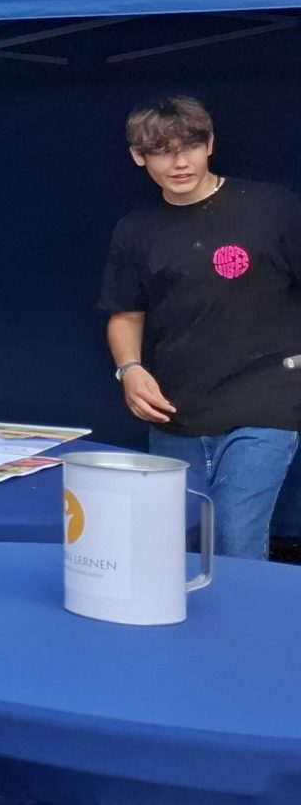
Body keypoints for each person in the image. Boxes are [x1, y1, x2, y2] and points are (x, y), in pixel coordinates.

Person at [100, 95, 301, 560]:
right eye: (161, 151)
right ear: (138, 157)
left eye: (189, 147)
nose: (178, 162)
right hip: (174, 409)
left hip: (266, 402)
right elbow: (125, 313)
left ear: (210, 144)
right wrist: (129, 370)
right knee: (174, 546)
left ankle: (246, 611)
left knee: (234, 537)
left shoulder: (273, 207)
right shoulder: (136, 229)